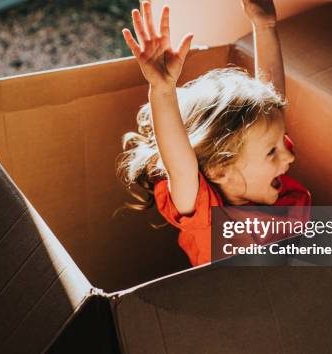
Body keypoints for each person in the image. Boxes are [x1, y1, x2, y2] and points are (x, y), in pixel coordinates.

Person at [117, 0, 311, 267]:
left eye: (280, 144)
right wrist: (162, 90)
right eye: (272, 151)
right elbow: (180, 166)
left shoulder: (261, 175)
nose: (289, 156)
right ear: (220, 169)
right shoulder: (205, 212)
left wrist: (265, 26)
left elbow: (272, 103)